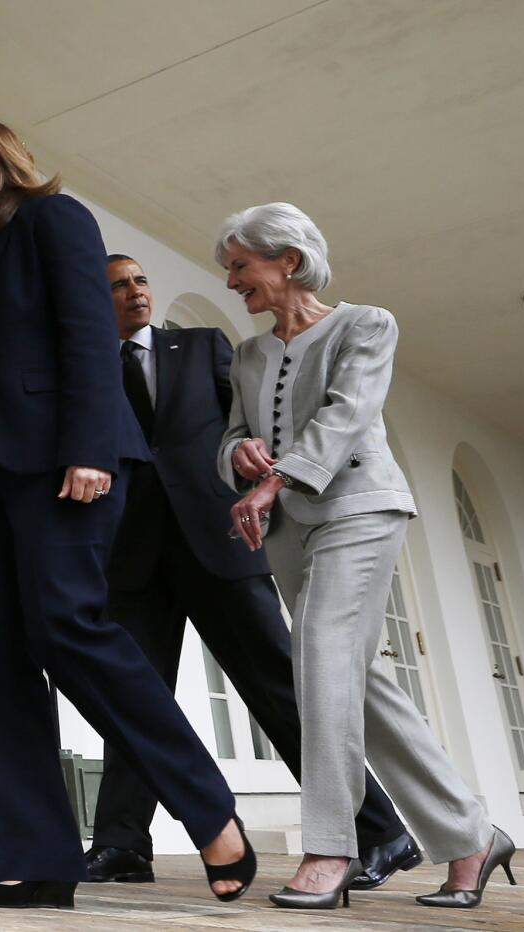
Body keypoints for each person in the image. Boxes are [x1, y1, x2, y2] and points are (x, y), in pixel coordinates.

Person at [0, 117, 255, 910]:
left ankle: (208, 810)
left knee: (69, 629)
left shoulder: (51, 220)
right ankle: (36, 862)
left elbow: (86, 335)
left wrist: (93, 446)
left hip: (62, 465)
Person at [86, 253, 420, 892]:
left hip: (217, 542)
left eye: (139, 281)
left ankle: (381, 831)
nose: (134, 293)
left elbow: (254, 426)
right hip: (132, 556)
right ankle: (122, 844)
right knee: (133, 700)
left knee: (278, 687)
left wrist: (265, 476)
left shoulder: (205, 346)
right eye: (118, 286)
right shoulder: (87, 364)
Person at [215, 202, 516, 910]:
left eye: (239, 265)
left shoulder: (366, 324)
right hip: (287, 526)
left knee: (318, 654)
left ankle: (331, 845)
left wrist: (277, 477)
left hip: (359, 507)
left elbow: (348, 413)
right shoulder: (249, 354)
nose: (231, 281)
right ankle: (472, 836)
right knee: (362, 685)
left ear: (286, 260)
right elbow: (229, 434)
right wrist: (241, 454)